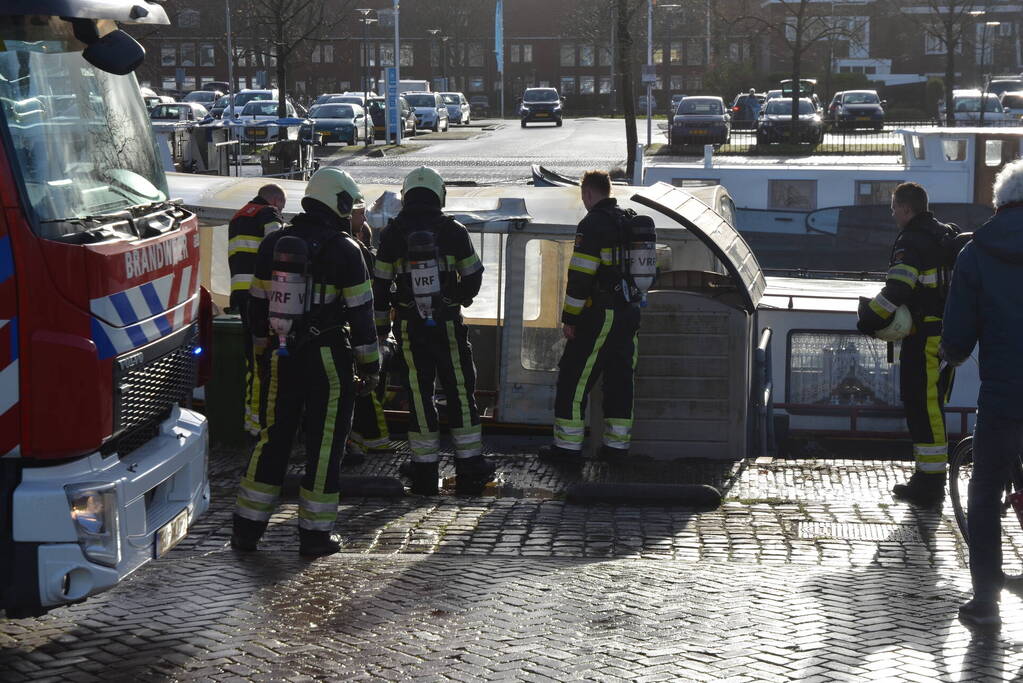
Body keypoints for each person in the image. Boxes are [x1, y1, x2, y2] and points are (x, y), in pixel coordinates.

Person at [231, 168, 379, 557]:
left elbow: (256, 306)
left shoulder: (274, 243)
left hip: (282, 353)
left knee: (273, 438)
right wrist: (370, 366)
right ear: (340, 203)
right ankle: (314, 536)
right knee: (326, 441)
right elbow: (362, 316)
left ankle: (246, 530)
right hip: (329, 355)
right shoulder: (346, 250)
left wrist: (264, 348)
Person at [371, 166, 491, 495]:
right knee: (459, 390)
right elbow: (474, 277)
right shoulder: (454, 230)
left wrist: (382, 332)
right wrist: (454, 299)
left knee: (419, 393)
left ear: (407, 195)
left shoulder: (392, 234)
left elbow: (379, 289)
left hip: (409, 326)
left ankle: (424, 469)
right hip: (449, 324)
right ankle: (470, 465)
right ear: (440, 194)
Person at [942, 159, 1023, 629]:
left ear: (1000, 203)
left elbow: (958, 332)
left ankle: (987, 602)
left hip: (1004, 393)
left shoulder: (976, 252)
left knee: (986, 489)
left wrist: (951, 352)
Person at [857, 182, 955, 507]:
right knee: (933, 406)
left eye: (894, 208)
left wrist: (870, 317)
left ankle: (930, 485)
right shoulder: (946, 233)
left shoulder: (911, 240)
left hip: (925, 338)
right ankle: (927, 479)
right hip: (946, 335)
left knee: (923, 408)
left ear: (906, 209)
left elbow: (898, 288)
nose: (893, 214)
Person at [538, 170, 643, 466]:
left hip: (601, 314)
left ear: (587, 194)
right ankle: (616, 449)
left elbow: (581, 276)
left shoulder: (593, 224)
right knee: (620, 381)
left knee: (574, 378)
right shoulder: (629, 219)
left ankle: (568, 450)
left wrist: (570, 318)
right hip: (629, 313)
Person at [229, 184, 285, 436]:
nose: (280, 210)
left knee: (251, 360)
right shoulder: (269, 214)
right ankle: (258, 425)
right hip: (261, 295)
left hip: (240, 295)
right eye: (281, 206)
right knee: (263, 360)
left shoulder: (238, 215)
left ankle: (251, 421)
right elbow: (280, 250)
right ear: (274, 200)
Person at [346, 218, 392, 464]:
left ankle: (372, 439)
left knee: (365, 388)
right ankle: (371, 439)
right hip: (373, 335)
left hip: (366, 335)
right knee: (368, 387)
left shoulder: (358, 258)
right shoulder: (367, 259)